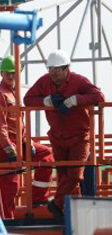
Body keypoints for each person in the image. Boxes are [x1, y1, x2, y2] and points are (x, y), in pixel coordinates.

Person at [24, 49, 104, 217]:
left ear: (66, 68)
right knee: (63, 176)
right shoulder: (44, 82)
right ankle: (66, 212)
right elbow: (27, 99)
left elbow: (99, 96)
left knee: (74, 175)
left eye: (56, 69)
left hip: (79, 138)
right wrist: (45, 101)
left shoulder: (78, 81)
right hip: (57, 137)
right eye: (50, 69)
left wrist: (76, 100)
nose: (52, 73)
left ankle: (57, 204)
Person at [0, 55, 53, 219]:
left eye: (14, 72)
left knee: (46, 155)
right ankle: (4, 221)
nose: (11, 76)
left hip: (18, 141)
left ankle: (38, 197)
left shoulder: (13, 93)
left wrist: (26, 141)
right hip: (6, 144)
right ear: (1, 73)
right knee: (9, 186)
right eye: (8, 72)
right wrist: (8, 148)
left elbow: (18, 124)